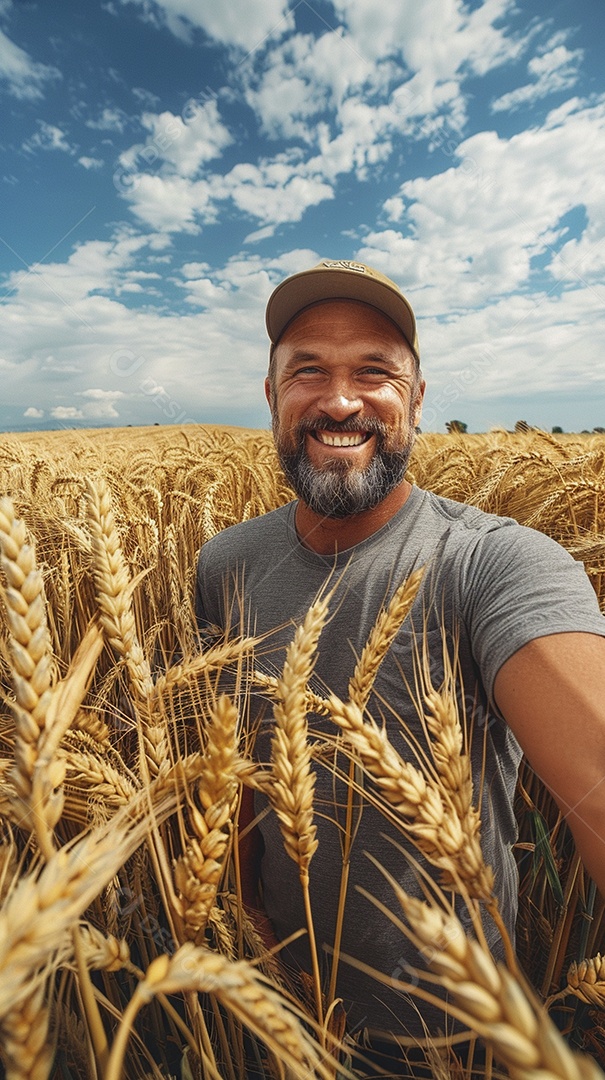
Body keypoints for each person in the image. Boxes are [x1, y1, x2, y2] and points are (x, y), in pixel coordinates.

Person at [195, 259, 605, 1055]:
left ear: (415, 400)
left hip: (458, 1038)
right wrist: (241, 917)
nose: (339, 400)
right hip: (272, 1016)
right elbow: (235, 756)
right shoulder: (225, 564)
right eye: (306, 370)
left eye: (373, 373)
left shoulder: (500, 564)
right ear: (272, 397)